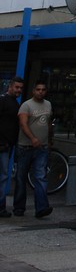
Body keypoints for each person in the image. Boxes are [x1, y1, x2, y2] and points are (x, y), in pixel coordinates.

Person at [13, 80, 53, 219]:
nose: (40, 92)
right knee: (21, 177)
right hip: (25, 147)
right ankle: (19, 207)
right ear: (33, 91)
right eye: (38, 89)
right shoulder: (26, 105)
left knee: (40, 177)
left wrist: (49, 140)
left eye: (43, 90)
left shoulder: (48, 104)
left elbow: (48, 123)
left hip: (42, 148)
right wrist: (33, 138)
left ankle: (41, 208)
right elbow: (23, 124)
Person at [0, 76, 23, 216]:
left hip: (7, 145)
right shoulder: (3, 100)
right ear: (10, 86)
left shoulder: (15, 103)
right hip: (3, 145)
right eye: (16, 87)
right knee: (3, 176)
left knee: (3, 177)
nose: (19, 90)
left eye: (21, 88)